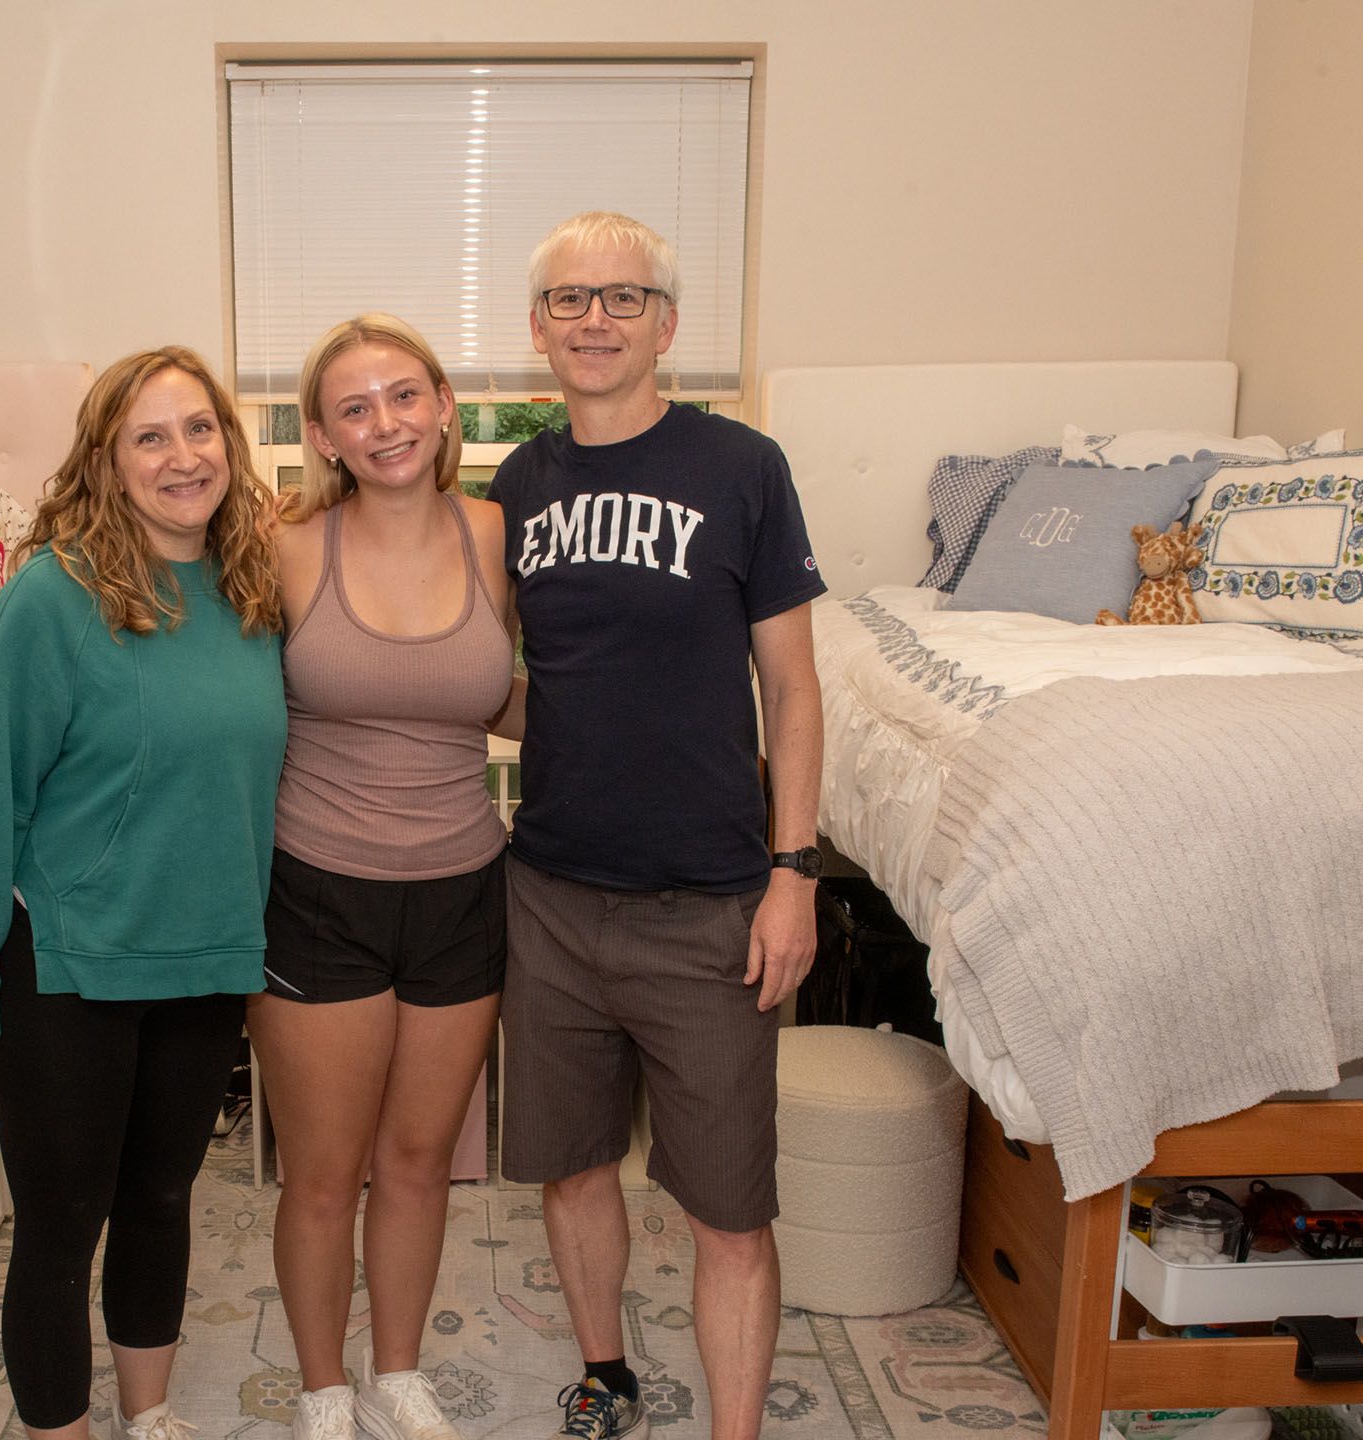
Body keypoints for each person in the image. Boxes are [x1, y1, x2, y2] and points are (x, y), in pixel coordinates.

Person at [488, 213, 825, 1440]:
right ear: (537, 329)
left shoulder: (742, 468)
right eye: (569, 301)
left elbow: (790, 688)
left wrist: (793, 875)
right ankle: (606, 1370)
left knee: (729, 1207)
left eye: (621, 299)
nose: (593, 320)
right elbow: (506, 678)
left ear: (665, 324)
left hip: (715, 904)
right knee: (570, 1165)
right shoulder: (516, 488)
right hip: (554, 896)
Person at [0, 347, 287, 1440]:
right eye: (150, 437)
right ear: (107, 462)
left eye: (200, 429)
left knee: (163, 1202)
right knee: (61, 1225)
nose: (183, 457)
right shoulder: (53, 597)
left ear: (229, 441)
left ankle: (149, 1415)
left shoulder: (254, 588)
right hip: (69, 967)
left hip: (205, 956)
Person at [254, 315, 521, 1440]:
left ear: (445, 406)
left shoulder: (494, 533)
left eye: (404, 397)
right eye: (354, 408)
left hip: (463, 890)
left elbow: (519, 701)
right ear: (321, 435)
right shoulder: (283, 547)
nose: (385, 424)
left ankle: (397, 1373)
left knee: (419, 1162)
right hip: (317, 888)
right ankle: (323, 1388)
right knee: (325, 1172)